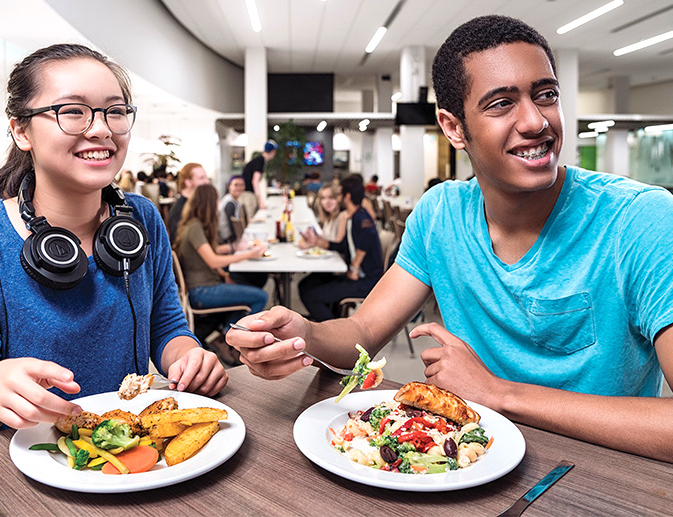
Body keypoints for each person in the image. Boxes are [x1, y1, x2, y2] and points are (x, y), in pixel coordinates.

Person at [226, 15, 673, 463]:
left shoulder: (640, 220)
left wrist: (500, 394)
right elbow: (362, 331)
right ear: (454, 127)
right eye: (501, 104)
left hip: (604, 481)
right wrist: (305, 334)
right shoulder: (441, 213)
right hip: (465, 467)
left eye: (546, 95)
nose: (536, 121)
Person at [0, 43, 227, 437]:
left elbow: (165, 326)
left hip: (129, 451)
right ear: (20, 129)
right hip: (28, 467)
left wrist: (189, 356)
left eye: (115, 112)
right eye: (73, 111)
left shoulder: (142, 218)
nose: (100, 129)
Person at [174, 184, 268, 364]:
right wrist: (248, 255)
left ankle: (226, 335)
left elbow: (207, 255)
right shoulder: (195, 227)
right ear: (209, 203)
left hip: (203, 287)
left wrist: (226, 271)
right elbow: (212, 260)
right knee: (260, 297)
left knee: (248, 293)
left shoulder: (193, 224)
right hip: (202, 291)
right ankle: (230, 339)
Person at [297, 176, 383, 321]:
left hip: (366, 280)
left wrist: (354, 267)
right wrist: (316, 241)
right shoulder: (353, 216)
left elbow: (367, 238)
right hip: (357, 275)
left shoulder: (361, 218)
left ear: (347, 197)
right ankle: (324, 319)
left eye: (339, 194)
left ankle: (331, 331)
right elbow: (341, 246)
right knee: (305, 285)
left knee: (311, 295)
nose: (338, 198)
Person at [166, 162, 209, 242]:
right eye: (201, 178)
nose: (206, 182)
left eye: (206, 177)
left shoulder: (195, 206)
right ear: (188, 182)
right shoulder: (179, 211)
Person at [241, 141, 277, 214]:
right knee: (251, 219)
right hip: (248, 194)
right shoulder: (260, 161)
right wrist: (260, 201)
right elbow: (255, 181)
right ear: (273, 151)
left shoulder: (258, 160)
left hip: (246, 193)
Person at [218, 175, 246, 245]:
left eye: (241, 185)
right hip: (226, 241)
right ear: (229, 186)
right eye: (236, 185)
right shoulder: (229, 203)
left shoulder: (232, 200)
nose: (239, 188)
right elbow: (232, 226)